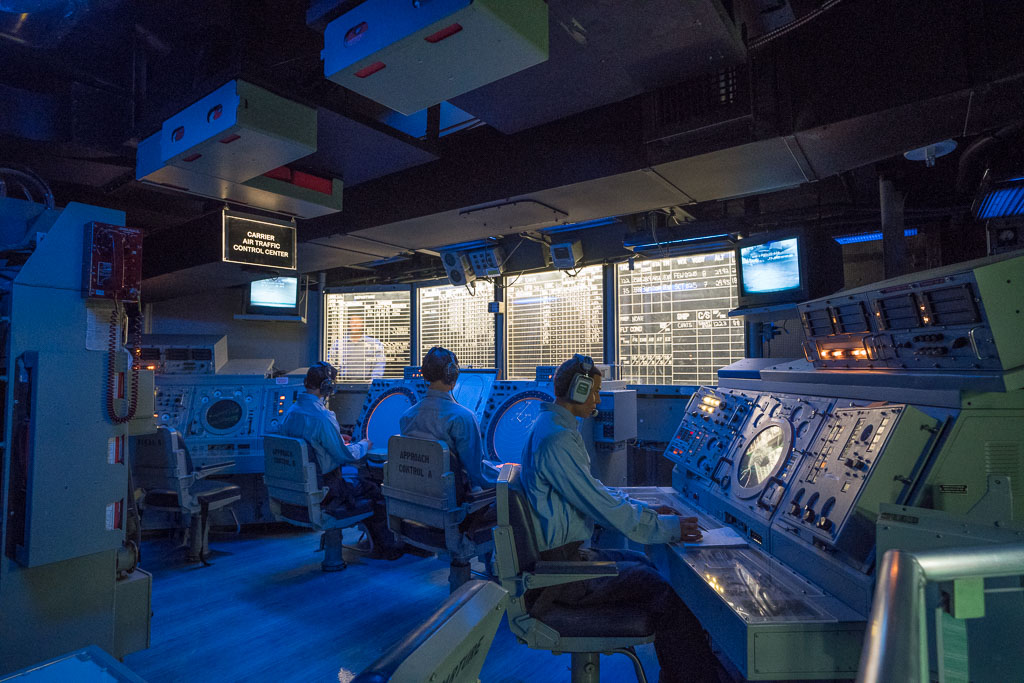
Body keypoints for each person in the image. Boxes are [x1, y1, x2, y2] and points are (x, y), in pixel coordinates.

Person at [520, 354, 721, 683]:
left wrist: (649, 512)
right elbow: (599, 504)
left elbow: (594, 490)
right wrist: (666, 527)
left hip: (564, 559)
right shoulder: (556, 439)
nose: (598, 400)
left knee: (645, 564)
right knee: (665, 592)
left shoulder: (554, 428)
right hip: (560, 577)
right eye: (594, 392)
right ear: (579, 390)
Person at [279, 361, 404, 560]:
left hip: (302, 487)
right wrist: (364, 444)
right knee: (377, 490)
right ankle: (387, 548)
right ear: (327, 387)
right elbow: (344, 456)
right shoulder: (322, 417)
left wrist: (338, 439)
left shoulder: (292, 413)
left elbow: (314, 446)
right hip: (328, 488)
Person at [399, 347, 498, 494]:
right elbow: (476, 474)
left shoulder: (407, 417)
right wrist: (507, 474)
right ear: (453, 374)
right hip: (454, 503)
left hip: (419, 500)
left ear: (424, 375)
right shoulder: (463, 418)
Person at [331, 314, 386, 381]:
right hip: (343, 384)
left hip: (366, 384)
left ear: (362, 324)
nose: (355, 324)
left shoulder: (374, 343)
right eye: (352, 322)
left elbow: (379, 362)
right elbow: (332, 362)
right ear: (349, 324)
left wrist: (375, 379)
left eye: (357, 322)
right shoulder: (338, 344)